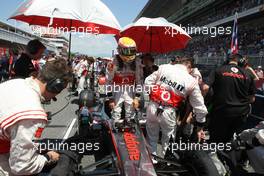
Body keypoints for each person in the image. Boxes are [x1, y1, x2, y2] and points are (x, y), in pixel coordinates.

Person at [0, 59, 72, 175]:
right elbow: (21, 166)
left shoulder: (16, 82)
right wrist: (48, 157)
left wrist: (35, 146)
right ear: (55, 87)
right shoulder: (33, 113)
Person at [145, 57, 208, 157]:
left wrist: (157, 93)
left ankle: (151, 160)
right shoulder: (191, 81)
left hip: (153, 106)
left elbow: (147, 82)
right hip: (169, 112)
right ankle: (165, 164)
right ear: (190, 68)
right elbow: (201, 108)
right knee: (168, 141)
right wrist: (200, 127)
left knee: (151, 138)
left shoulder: (164, 67)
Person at [205, 54, 255, 143]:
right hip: (240, 113)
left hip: (221, 111)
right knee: (228, 138)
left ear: (227, 60)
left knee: (215, 139)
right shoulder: (248, 75)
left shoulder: (218, 70)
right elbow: (252, 99)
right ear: (240, 62)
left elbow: (205, 88)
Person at [106, 37, 143, 123]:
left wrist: (137, 98)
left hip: (130, 90)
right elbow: (108, 81)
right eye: (127, 51)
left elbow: (139, 82)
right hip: (117, 90)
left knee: (131, 113)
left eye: (132, 51)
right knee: (115, 113)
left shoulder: (137, 62)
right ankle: (115, 127)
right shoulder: (112, 63)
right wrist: (110, 98)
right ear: (119, 50)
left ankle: (131, 129)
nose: (129, 54)